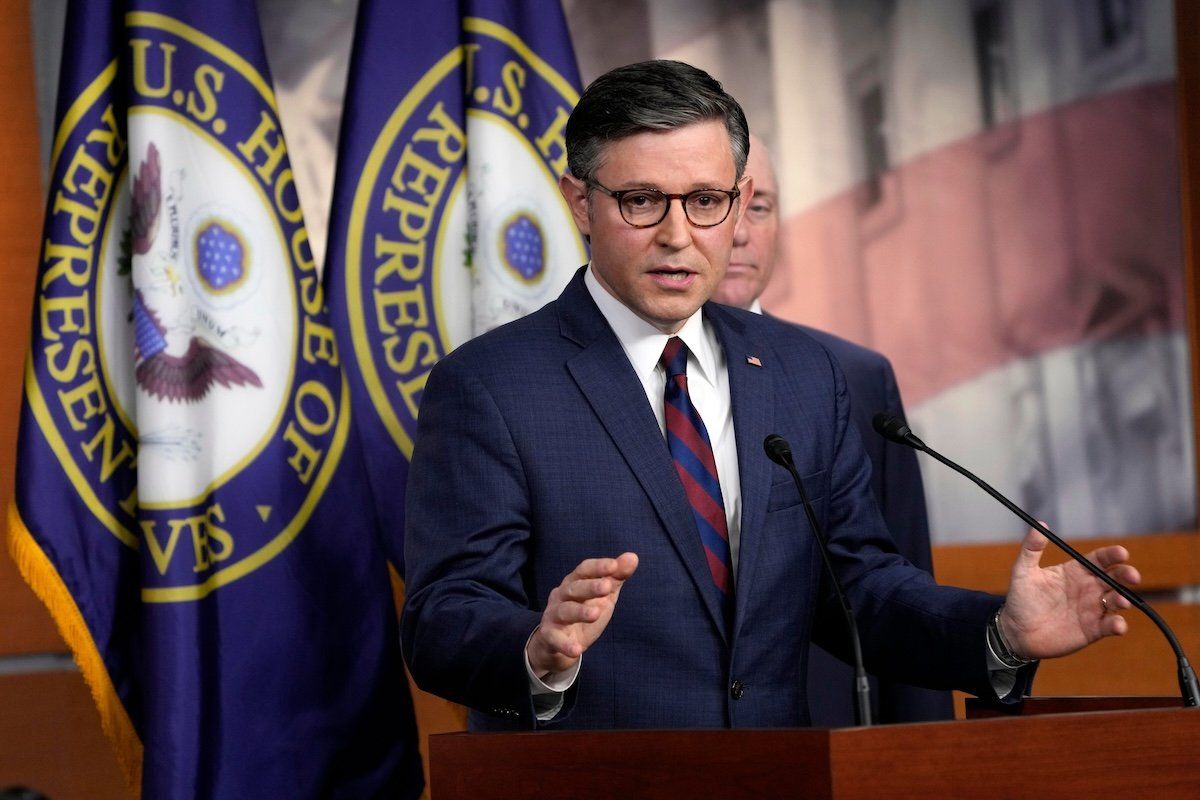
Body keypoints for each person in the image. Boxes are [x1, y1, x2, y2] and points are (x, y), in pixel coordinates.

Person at [401, 60, 1139, 731]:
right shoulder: (490, 387)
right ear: (580, 202)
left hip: (780, 776)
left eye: (706, 201)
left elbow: (861, 589)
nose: (678, 235)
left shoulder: (801, 373)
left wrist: (1000, 634)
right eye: (640, 202)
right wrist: (536, 648)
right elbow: (441, 619)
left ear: (741, 198)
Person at [713, 136, 953, 724]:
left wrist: (925, 770)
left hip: (832, 735)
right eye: (716, 204)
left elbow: (898, 582)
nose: (741, 232)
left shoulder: (852, 377)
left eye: (760, 207)